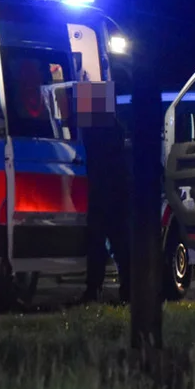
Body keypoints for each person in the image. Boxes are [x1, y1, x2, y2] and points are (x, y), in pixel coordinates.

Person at [81, 112, 133, 303]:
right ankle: (126, 290)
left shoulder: (96, 130)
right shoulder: (115, 126)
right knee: (119, 245)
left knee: (99, 243)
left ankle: (94, 289)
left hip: (103, 192)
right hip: (115, 192)